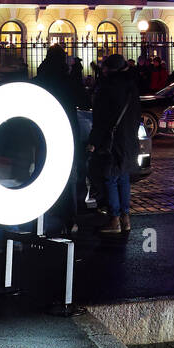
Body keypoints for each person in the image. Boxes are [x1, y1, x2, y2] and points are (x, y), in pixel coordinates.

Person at [89, 54, 142, 237]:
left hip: (112, 140)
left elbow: (100, 119)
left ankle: (114, 219)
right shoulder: (131, 86)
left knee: (110, 178)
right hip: (129, 139)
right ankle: (125, 218)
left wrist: (94, 142)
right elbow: (137, 115)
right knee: (124, 178)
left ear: (109, 69)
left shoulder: (108, 88)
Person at [35, 45, 82, 235]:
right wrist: (76, 72)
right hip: (66, 132)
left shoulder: (41, 77)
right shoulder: (67, 79)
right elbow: (82, 98)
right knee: (68, 179)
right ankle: (69, 220)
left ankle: (43, 219)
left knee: (42, 175)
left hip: (43, 132)